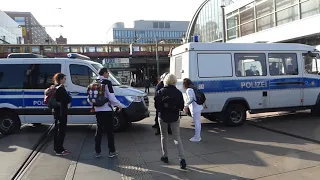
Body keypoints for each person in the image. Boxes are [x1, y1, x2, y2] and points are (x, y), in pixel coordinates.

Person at [154, 73, 187, 169]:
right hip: (175, 117)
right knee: (177, 138)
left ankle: (165, 156)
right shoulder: (178, 93)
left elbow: (157, 107)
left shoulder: (160, 92)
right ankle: (182, 159)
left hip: (163, 117)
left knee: (164, 136)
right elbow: (181, 107)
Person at [92, 68, 125, 158]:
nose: (108, 74)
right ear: (104, 73)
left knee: (98, 131)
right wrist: (119, 105)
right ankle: (111, 151)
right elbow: (111, 97)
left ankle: (97, 152)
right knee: (109, 132)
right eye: (107, 73)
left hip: (97, 110)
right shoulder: (107, 83)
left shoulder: (94, 82)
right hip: (107, 110)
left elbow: (90, 97)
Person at [52, 73, 72, 156]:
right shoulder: (61, 89)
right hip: (61, 112)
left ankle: (58, 148)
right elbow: (67, 99)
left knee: (57, 130)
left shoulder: (55, 87)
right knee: (61, 131)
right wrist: (70, 97)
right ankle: (59, 150)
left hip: (56, 112)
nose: (65, 80)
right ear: (60, 79)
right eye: (64, 78)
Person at [183, 78, 203, 142]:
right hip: (198, 107)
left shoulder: (189, 90)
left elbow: (191, 99)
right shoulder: (193, 88)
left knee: (197, 122)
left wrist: (185, 106)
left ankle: (197, 137)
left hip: (195, 108)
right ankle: (197, 136)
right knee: (197, 122)